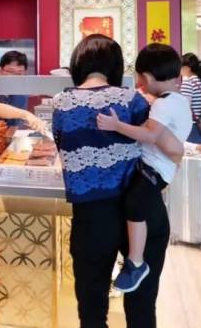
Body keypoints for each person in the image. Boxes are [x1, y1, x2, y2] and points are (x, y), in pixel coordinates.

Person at [53, 34, 169, 327]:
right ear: (115, 65)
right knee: (142, 307)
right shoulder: (132, 99)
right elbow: (158, 144)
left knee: (92, 312)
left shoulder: (61, 103)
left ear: (77, 64)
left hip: (92, 219)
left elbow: (61, 144)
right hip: (140, 211)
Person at [97, 44, 190, 294]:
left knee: (135, 204)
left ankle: (136, 262)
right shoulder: (176, 100)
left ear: (146, 77)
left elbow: (150, 135)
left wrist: (116, 125)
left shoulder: (163, 105)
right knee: (135, 203)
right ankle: (134, 260)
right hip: (160, 167)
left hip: (155, 168)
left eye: (139, 78)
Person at [0, 50, 31, 127]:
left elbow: (17, 124)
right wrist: (26, 115)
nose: (14, 77)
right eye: (10, 71)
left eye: (19, 73)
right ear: (0, 70)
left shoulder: (22, 94)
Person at [180, 53, 201, 144]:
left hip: (194, 126)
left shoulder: (188, 82)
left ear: (187, 68)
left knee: (194, 152)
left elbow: (184, 107)